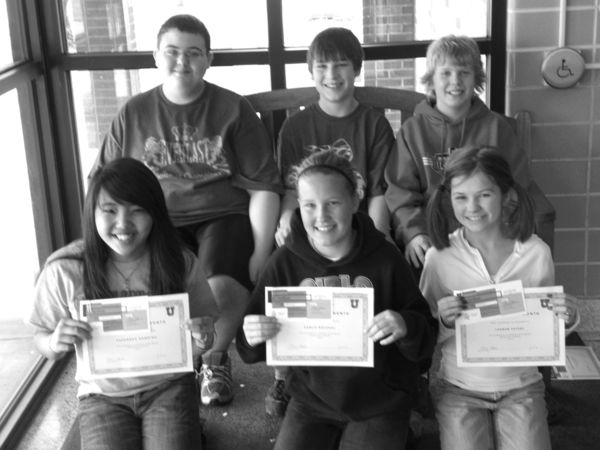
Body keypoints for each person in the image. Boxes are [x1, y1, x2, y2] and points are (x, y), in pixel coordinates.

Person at [91, 14, 283, 405]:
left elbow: (264, 187)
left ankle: (212, 360)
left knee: (223, 283)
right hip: (154, 217)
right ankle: (170, 369)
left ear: (208, 59)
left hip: (222, 214)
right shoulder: (133, 113)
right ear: (155, 57)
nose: (182, 61)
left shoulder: (233, 109)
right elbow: (102, 182)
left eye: (194, 53)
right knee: (161, 284)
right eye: (172, 51)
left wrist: (261, 252)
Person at [237, 150, 437, 450]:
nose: (321, 216)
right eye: (309, 205)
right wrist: (252, 334)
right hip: (311, 400)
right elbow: (248, 346)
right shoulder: (284, 262)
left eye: (333, 203)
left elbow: (426, 336)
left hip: (380, 400)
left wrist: (404, 325)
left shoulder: (385, 258)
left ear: (355, 202)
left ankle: (406, 423)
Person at [28, 158, 219, 450]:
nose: (123, 224)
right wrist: (54, 342)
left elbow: (203, 333)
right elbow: (40, 338)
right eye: (110, 210)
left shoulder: (178, 262)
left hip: (168, 386)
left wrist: (203, 339)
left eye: (138, 210)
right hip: (101, 395)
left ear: (155, 213)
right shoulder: (66, 269)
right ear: (92, 212)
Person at [269, 27, 395, 415]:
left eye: (340, 65)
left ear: (356, 69)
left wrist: (377, 237)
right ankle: (286, 373)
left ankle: (378, 363)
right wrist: (285, 220)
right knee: (287, 259)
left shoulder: (374, 124)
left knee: (379, 261)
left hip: (356, 223)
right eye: (322, 66)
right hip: (314, 221)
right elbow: (290, 190)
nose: (331, 75)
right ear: (311, 72)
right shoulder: (296, 126)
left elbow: (379, 192)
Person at [419, 146, 579, 450]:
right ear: (449, 199)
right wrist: (444, 320)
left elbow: (544, 326)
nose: (473, 207)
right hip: (459, 387)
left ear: (507, 195)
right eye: (461, 197)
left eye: (484, 195)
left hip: (522, 387)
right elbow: (424, 333)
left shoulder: (535, 253)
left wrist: (566, 318)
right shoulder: (439, 258)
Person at [385, 35, 530, 270]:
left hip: (486, 234)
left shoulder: (496, 128)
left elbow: (516, 186)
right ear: (431, 79)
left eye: (464, 72)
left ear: (476, 78)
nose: (455, 81)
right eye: (446, 73)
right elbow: (401, 192)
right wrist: (414, 233)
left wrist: (500, 229)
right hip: (431, 240)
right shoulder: (413, 131)